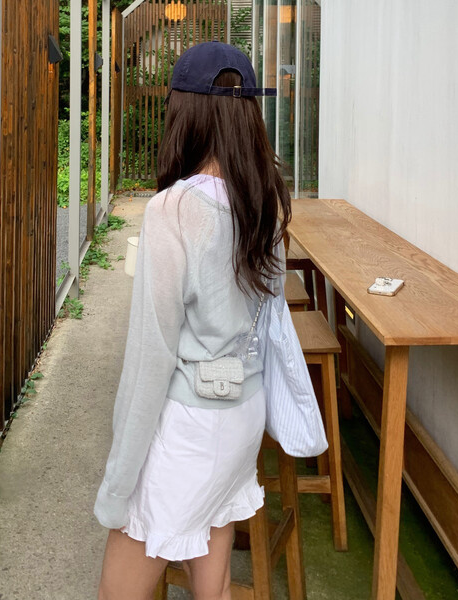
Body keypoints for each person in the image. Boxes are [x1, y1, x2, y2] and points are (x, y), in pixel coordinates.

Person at [95, 41, 290, 600]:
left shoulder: (173, 211)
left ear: (185, 113)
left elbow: (149, 359)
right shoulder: (265, 202)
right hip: (243, 416)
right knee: (214, 587)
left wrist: (118, 483)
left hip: (189, 430)